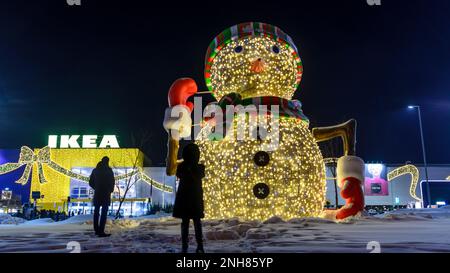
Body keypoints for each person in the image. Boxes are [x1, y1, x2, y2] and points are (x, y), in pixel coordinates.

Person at [173, 143, 205, 253]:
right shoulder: (193, 167)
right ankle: (193, 246)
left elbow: (183, 175)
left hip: (187, 198)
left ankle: (191, 246)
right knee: (194, 223)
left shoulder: (195, 167)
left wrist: (189, 169)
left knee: (189, 223)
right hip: (192, 198)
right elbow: (180, 174)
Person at [89, 156, 115, 237]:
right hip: (105, 194)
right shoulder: (109, 170)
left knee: (96, 212)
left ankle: (97, 230)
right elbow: (112, 182)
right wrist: (110, 190)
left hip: (98, 193)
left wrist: (96, 187)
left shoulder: (95, 170)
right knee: (103, 213)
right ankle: (101, 231)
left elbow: (90, 182)